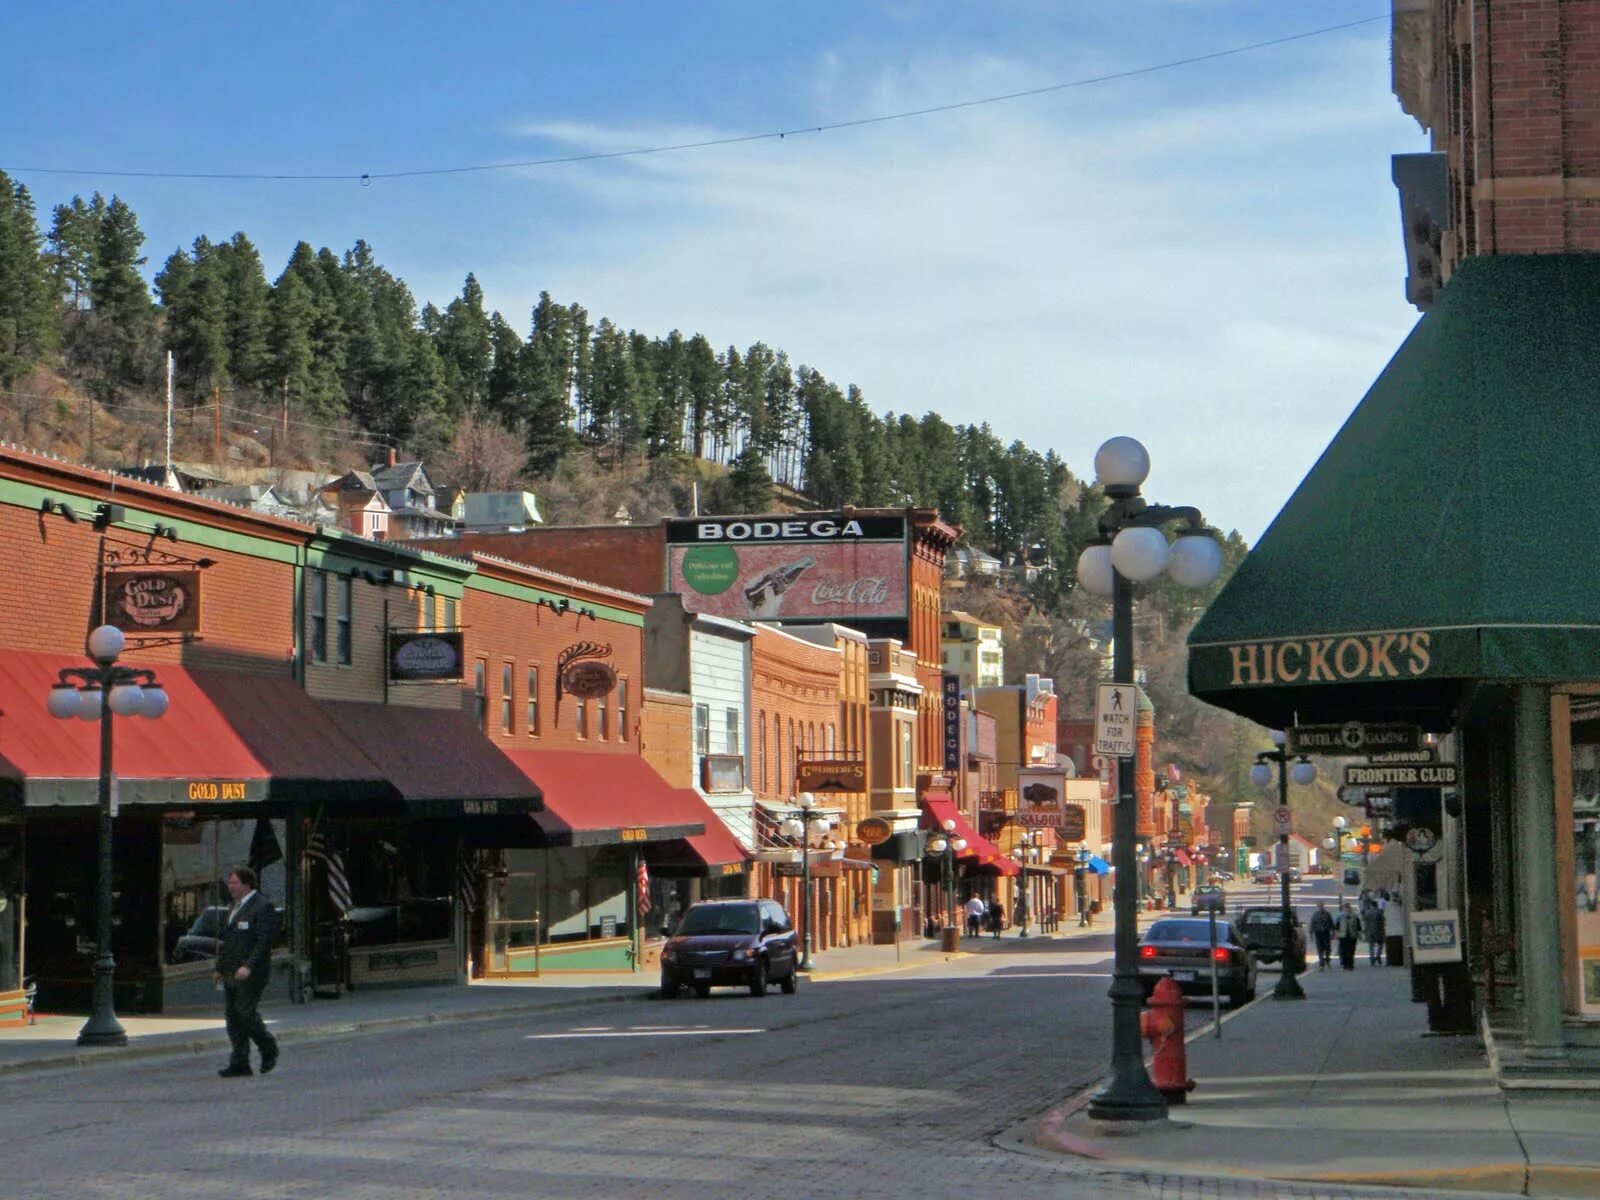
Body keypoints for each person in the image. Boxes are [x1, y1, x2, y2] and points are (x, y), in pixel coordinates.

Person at [215, 866, 279, 1078]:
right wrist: (219, 968)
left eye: (234, 883)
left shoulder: (262, 906)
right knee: (232, 1017)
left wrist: (249, 966)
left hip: (251, 972)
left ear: (246, 884)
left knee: (245, 1011)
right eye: (230, 883)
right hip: (231, 970)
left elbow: (263, 942)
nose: (230, 887)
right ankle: (240, 1062)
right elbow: (228, 941)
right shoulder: (233, 906)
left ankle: (267, 1045)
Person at [1336, 902, 1361, 971]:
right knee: (1344, 951)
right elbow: (1337, 926)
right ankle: (1345, 964)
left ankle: (1350, 964)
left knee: (1351, 950)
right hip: (1343, 936)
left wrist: (1359, 934)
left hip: (1352, 935)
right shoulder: (1341, 917)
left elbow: (1359, 926)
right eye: (1346, 908)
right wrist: (1337, 934)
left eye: (1348, 908)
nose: (1347, 909)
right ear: (1344, 909)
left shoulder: (1354, 916)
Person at [1309, 902, 1334, 970]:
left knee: (1327, 947)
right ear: (1318, 907)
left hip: (1326, 932)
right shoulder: (1315, 915)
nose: (1321, 907)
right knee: (1320, 948)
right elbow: (1312, 923)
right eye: (1319, 906)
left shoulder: (1327, 914)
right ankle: (1321, 963)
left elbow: (1331, 923)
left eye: (1322, 906)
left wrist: (1333, 932)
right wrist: (1311, 933)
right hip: (1318, 933)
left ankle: (1327, 959)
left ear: (1323, 906)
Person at [1363, 900, 1386, 965]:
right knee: (1381, 944)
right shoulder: (1379, 912)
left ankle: (1372, 958)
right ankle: (1378, 955)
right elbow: (1383, 921)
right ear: (1376, 905)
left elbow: (1365, 922)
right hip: (1378, 930)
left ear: (1371, 905)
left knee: (1371, 945)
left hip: (1370, 931)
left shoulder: (1367, 912)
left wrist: (1365, 931)